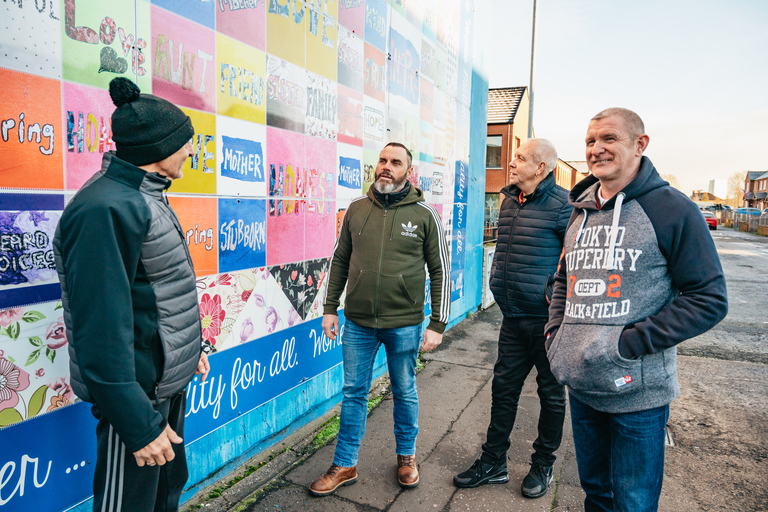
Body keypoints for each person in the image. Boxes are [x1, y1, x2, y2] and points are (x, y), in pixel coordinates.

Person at [545, 108, 728, 512]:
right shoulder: (581, 210)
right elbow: (563, 279)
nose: (596, 149)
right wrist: (556, 335)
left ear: (639, 145)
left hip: (638, 395)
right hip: (583, 384)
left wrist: (626, 345)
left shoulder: (672, 209)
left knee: (633, 504)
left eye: (609, 138)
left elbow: (709, 298)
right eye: (590, 141)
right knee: (596, 495)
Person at [54, 77, 210, 512]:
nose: (192, 151)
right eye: (185, 143)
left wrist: (188, 348)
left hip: (160, 389)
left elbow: (156, 294)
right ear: (158, 149)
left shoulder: (145, 196)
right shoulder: (104, 208)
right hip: (136, 402)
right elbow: (99, 330)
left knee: (164, 496)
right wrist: (137, 424)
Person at [309, 142, 450, 496]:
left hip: (404, 323)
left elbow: (441, 271)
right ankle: (345, 464)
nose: (386, 166)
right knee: (354, 392)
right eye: (382, 161)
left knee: (404, 391)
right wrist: (329, 308)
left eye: (395, 162)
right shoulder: (356, 210)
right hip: (357, 323)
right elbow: (340, 260)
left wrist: (437, 323)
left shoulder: (424, 213)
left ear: (408, 171)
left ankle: (407, 458)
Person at [453, 138, 572, 498]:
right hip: (513, 316)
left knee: (551, 396)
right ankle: (493, 462)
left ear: (541, 168)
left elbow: (577, 259)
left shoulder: (563, 205)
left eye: (520, 157)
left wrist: (555, 297)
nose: (511, 162)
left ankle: (543, 464)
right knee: (503, 391)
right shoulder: (508, 201)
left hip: (548, 321)